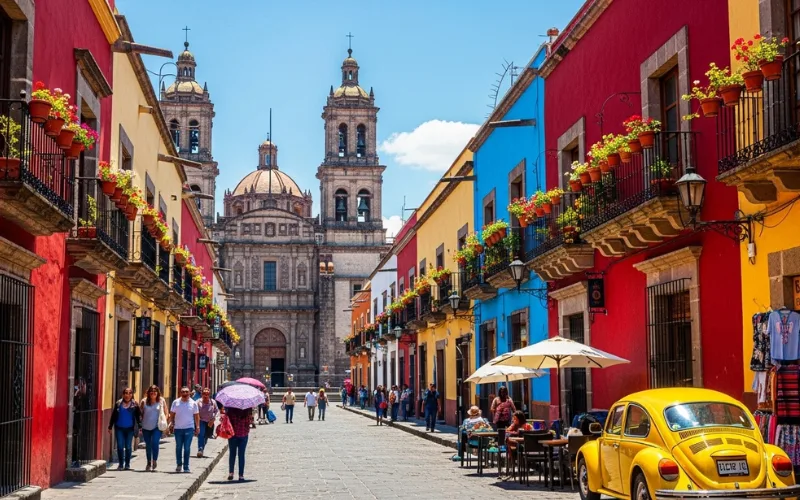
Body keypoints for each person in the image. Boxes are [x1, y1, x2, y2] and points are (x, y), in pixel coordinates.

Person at [108, 387, 141, 470]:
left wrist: (140, 427)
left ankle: (127, 464)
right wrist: (110, 426)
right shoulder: (118, 403)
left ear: (132, 395)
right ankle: (120, 464)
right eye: (126, 393)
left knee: (128, 446)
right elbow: (113, 415)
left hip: (130, 429)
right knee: (120, 446)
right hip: (119, 428)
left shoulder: (135, 404)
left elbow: (138, 416)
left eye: (130, 393)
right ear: (123, 394)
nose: (128, 395)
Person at [169, 386, 200, 473]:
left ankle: (186, 466)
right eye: (183, 392)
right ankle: (179, 464)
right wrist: (171, 423)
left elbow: (196, 416)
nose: (185, 393)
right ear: (180, 393)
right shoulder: (176, 402)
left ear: (189, 393)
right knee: (178, 447)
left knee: (187, 448)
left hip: (189, 428)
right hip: (178, 428)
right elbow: (172, 414)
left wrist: (197, 427)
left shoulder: (193, 403)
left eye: (186, 392)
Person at [139, 385, 168, 472]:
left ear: (158, 393)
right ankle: (148, 462)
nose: (153, 393)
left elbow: (166, 413)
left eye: (155, 391)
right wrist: (139, 424)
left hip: (157, 426)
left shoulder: (161, 401)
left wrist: (164, 422)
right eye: (151, 391)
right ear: (148, 393)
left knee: (155, 442)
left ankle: (154, 460)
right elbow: (140, 413)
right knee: (148, 445)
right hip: (146, 426)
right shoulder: (144, 401)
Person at [225, 407, 253, 481]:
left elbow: (228, 422)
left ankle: (231, 473)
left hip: (232, 435)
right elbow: (249, 424)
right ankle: (241, 475)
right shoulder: (247, 412)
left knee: (232, 454)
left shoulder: (231, 411)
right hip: (243, 435)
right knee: (241, 455)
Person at [505, 410, 533, 475]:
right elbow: (507, 431)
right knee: (508, 441)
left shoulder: (527, 426)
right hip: (517, 444)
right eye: (513, 419)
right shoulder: (514, 425)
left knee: (510, 444)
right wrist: (514, 431)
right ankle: (513, 462)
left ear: (520, 419)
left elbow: (531, 435)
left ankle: (512, 462)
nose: (513, 420)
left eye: (515, 419)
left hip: (526, 445)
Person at [196, 388, 218, 458]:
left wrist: (213, 418)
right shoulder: (198, 402)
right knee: (201, 435)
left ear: (209, 395)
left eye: (207, 394)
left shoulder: (213, 402)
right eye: (204, 393)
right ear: (202, 394)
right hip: (201, 421)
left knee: (206, 436)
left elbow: (216, 411)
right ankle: (200, 449)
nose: (205, 395)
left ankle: (202, 448)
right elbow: (195, 411)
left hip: (210, 422)